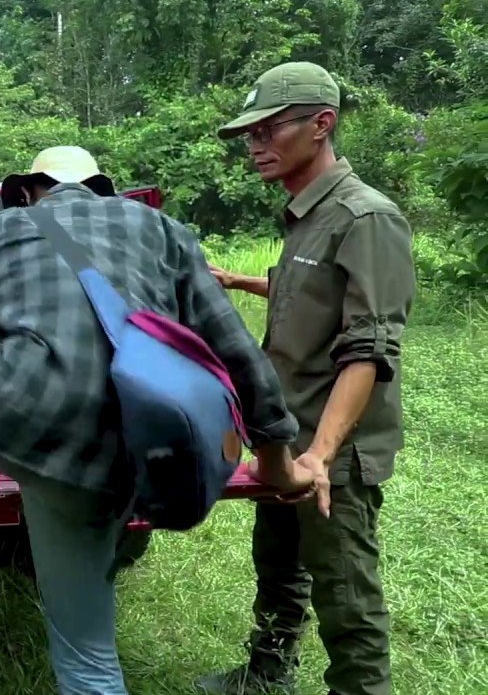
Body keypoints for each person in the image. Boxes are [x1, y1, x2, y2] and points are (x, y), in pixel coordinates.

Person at [0, 145, 317, 693]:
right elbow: (235, 347)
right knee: (87, 656)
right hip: (132, 438)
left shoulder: (0, 229)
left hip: (24, 417)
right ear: (104, 189)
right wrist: (279, 463)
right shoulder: (161, 228)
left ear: (29, 190)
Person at [198, 62, 415, 695]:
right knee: (278, 568)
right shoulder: (305, 216)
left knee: (345, 594)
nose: (256, 146)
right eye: (250, 135)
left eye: (269, 130)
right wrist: (239, 281)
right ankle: (267, 674)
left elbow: (369, 350)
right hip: (286, 434)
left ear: (322, 125)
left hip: (333, 450)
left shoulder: (366, 217)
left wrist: (320, 455)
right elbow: (312, 292)